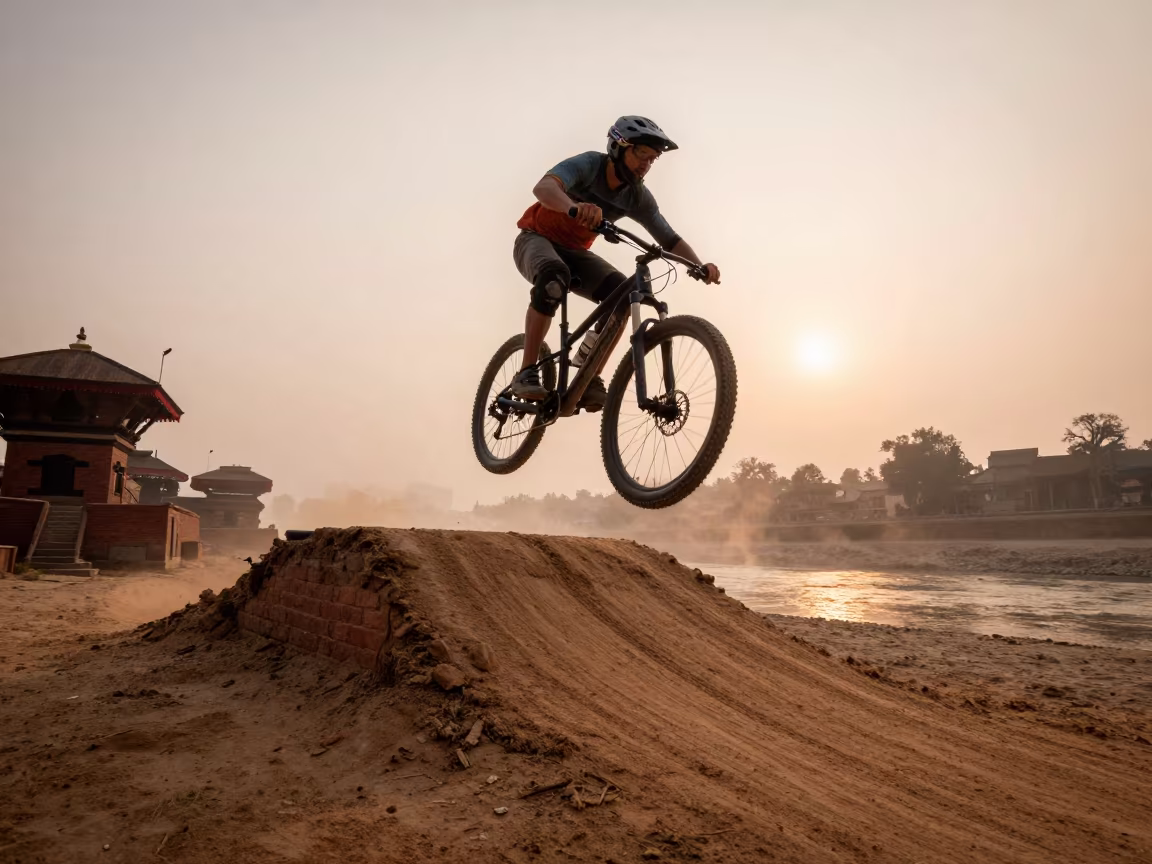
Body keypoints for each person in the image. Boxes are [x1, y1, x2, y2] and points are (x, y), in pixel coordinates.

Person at [510, 115, 721, 410]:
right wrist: (574, 207)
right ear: (618, 147)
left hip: (576, 252)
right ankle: (526, 372)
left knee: (623, 294)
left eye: (652, 160)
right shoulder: (589, 165)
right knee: (554, 276)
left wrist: (698, 266)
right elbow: (543, 189)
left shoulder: (637, 196)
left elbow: (669, 238)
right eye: (641, 155)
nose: (646, 164)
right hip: (535, 239)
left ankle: (590, 374)